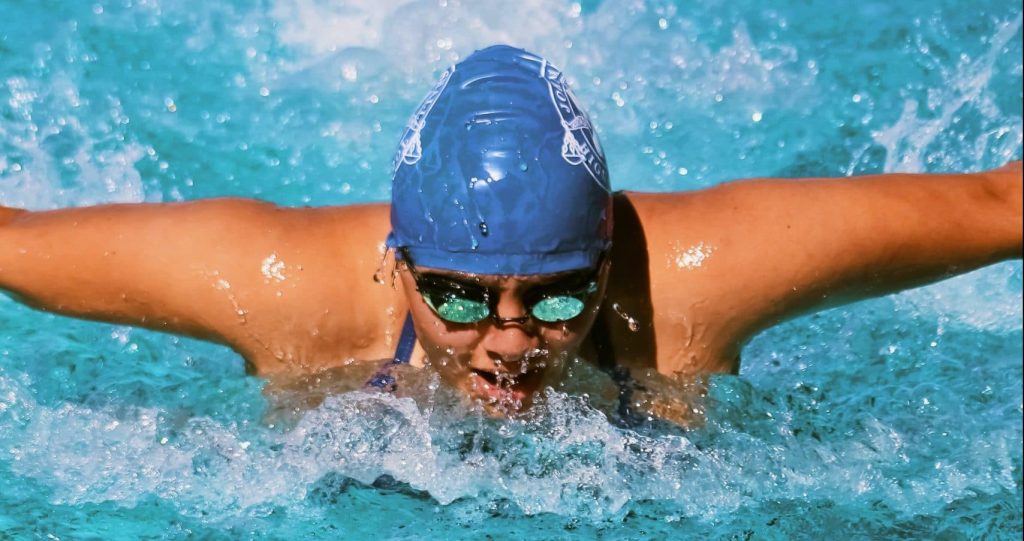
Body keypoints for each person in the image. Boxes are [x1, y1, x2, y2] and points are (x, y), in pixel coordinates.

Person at [1, 45, 1021, 419]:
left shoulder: (704, 273)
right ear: (397, 264)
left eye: (558, 296)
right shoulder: (280, 284)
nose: (508, 343)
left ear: (607, 262)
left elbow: (998, 206)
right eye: (455, 295)